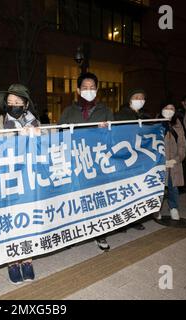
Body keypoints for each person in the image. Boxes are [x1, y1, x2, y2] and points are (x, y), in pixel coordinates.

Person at [0, 83, 39, 284]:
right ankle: (12, 262)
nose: (13, 105)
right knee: (9, 222)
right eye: (10, 102)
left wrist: (35, 138)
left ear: (25, 105)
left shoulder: (35, 124)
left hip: (28, 181)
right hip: (5, 182)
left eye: (17, 102)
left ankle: (27, 259)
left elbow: (44, 152)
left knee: (27, 220)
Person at [58, 72, 113, 252]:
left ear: (96, 90)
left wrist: (107, 130)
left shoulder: (105, 110)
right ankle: (74, 233)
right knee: (75, 199)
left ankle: (99, 233)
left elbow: (113, 138)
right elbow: (60, 136)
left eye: (92, 88)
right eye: (85, 88)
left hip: (97, 164)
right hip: (75, 163)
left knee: (97, 199)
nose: (88, 91)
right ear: (78, 90)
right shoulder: (68, 111)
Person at [114, 88, 151, 230]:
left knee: (137, 189)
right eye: (136, 97)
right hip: (125, 157)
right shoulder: (120, 115)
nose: (139, 100)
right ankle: (121, 221)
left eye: (142, 98)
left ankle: (134, 219)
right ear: (130, 99)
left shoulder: (146, 116)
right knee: (124, 190)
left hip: (141, 158)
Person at [155, 103, 186, 220]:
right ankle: (156, 209)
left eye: (172, 108)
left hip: (174, 163)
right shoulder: (155, 124)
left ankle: (174, 208)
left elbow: (182, 145)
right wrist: (159, 161)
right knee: (158, 188)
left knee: (173, 187)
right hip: (159, 164)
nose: (169, 110)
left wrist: (177, 159)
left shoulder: (178, 125)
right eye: (166, 108)